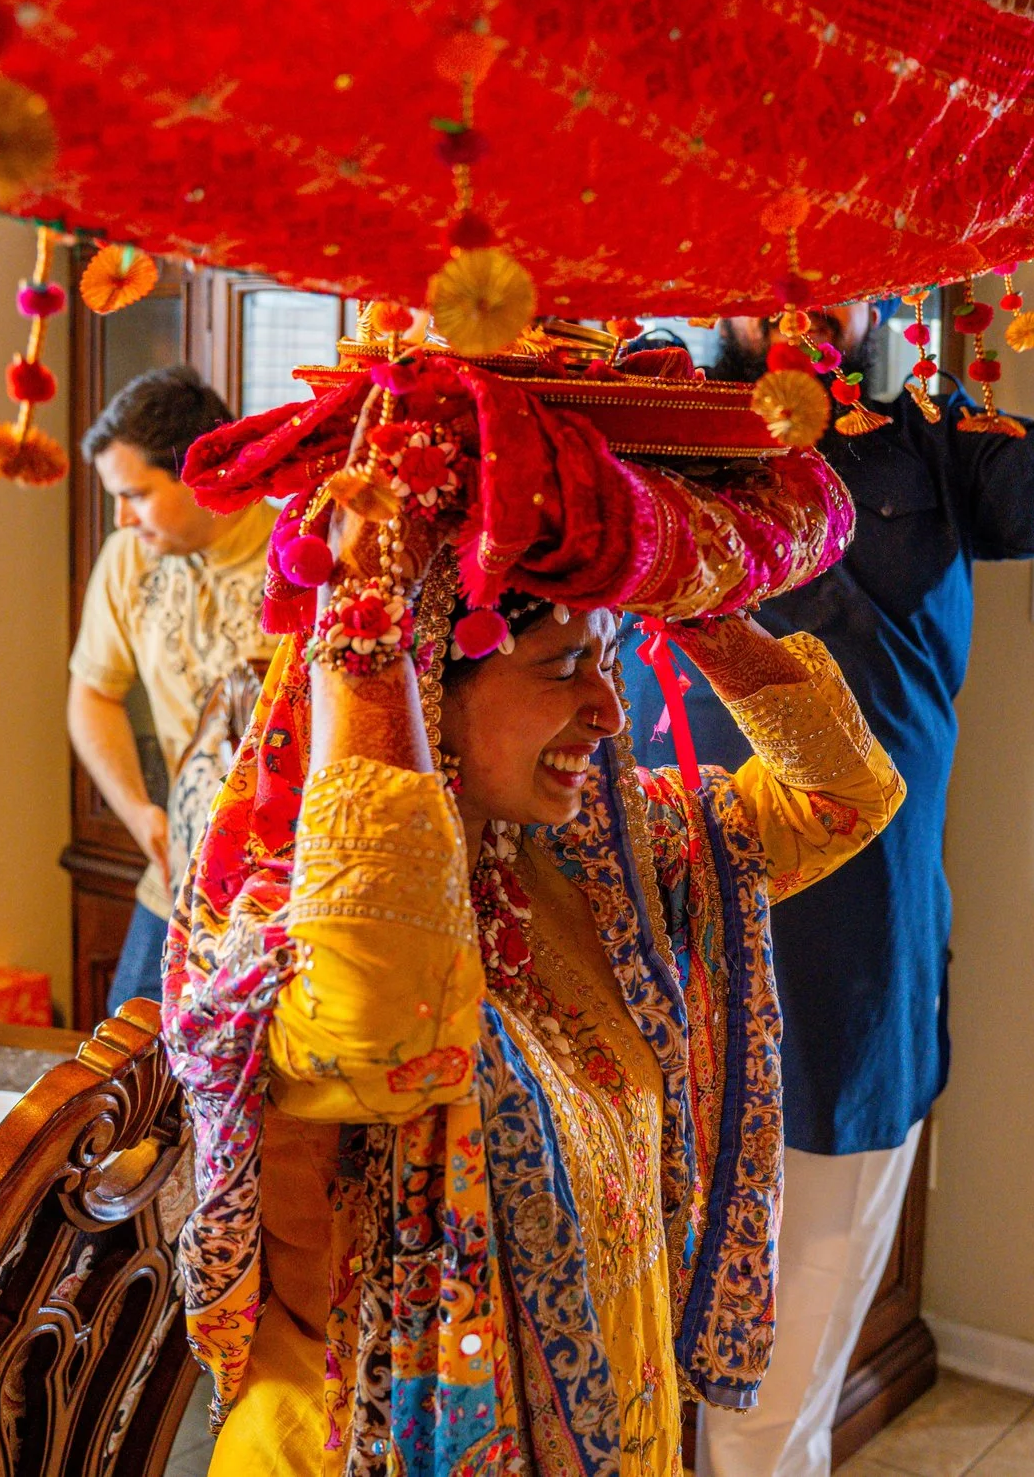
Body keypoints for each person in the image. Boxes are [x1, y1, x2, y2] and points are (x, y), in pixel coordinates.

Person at [167, 464, 904, 1472]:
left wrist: (688, 600)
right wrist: (372, 626)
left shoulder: (595, 861)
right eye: (563, 669)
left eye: (608, 659)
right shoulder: (284, 928)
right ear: (428, 683)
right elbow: (395, 1032)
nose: (608, 709)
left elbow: (844, 797)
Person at [619, 311, 1034, 1474]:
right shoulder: (630, 437)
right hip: (642, 972)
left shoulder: (928, 441)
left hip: (847, 984)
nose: (794, 304)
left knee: (769, 1407)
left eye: (835, 277)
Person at [67, 369, 275, 1012]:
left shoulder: (296, 555)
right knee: (124, 1078)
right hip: (174, 881)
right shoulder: (128, 557)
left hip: (279, 889)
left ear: (200, 470)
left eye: (135, 494)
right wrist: (138, 814)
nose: (121, 517)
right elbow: (92, 695)